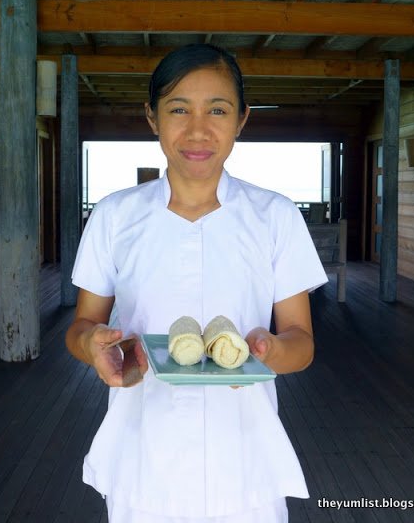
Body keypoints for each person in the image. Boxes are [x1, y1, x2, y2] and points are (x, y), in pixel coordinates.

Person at [65, 43, 328, 523]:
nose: (198, 129)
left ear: (242, 119)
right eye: (178, 109)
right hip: (141, 456)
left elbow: (302, 343)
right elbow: (83, 325)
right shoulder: (115, 216)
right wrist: (95, 348)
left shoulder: (275, 216)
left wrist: (268, 349)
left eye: (219, 110)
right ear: (152, 118)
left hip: (245, 462)